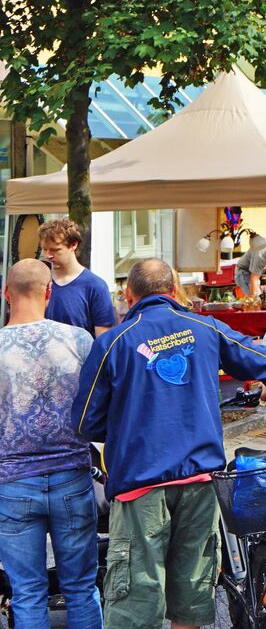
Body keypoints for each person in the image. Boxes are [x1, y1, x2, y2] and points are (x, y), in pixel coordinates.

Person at [74, 258, 266, 629]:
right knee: (190, 596)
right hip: (200, 483)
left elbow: (85, 422)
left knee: (136, 602)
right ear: (174, 290)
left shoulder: (112, 343)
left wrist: (128, 425)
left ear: (129, 295)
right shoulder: (205, 327)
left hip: (140, 485)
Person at [0, 259, 100, 629]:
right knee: (81, 588)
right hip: (71, 476)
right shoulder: (79, 340)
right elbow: (98, 406)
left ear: (6, 294)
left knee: (27, 592)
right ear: (48, 292)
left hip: (13, 481)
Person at [38, 220, 115, 337]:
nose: (48, 255)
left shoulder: (96, 286)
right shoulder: (38, 282)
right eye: (44, 249)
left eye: (55, 250)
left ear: (73, 245)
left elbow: (104, 340)